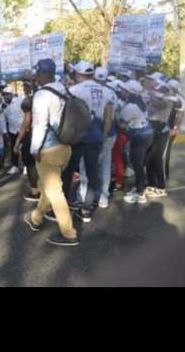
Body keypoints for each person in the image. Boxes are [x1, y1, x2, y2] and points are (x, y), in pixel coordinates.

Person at [23, 58, 79, 247]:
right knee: (50, 186)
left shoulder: (42, 95)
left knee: (55, 191)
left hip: (48, 149)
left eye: (36, 75)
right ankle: (36, 218)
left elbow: (39, 124)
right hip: (66, 147)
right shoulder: (65, 89)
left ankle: (69, 233)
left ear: (40, 74)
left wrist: (34, 149)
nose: (35, 78)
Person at [56, 60, 112, 224]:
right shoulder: (106, 91)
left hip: (76, 137)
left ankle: (63, 207)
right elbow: (108, 116)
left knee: (67, 172)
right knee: (91, 172)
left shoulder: (74, 90)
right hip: (95, 137)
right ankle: (86, 209)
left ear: (79, 74)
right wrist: (103, 135)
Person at [116, 80, 154, 204]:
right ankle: (139, 187)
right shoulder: (140, 101)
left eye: (125, 90)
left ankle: (140, 194)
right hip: (147, 134)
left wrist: (114, 119)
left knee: (137, 165)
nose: (122, 91)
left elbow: (122, 125)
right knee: (139, 164)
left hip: (139, 137)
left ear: (130, 92)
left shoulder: (130, 107)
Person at [142, 72, 172, 199]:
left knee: (156, 158)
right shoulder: (154, 93)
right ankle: (151, 183)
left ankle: (160, 187)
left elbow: (159, 105)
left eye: (153, 80)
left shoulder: (169, 95)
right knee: (149, 158)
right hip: (151, 128)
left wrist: (150, 92)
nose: (151, 82)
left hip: (160, 129)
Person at [94, 66, 118, 209]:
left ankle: (96, 194)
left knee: (95, 165)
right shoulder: (112, 93)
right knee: (106, 165)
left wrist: (102, 135)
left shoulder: (94, 92)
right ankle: (104, 196)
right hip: (111, 133)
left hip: (101, 133)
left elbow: (107, 117)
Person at [14, 77, 39, 202]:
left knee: (31, 165)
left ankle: (35, 191)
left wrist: (17, 142)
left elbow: (26, 122)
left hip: (33, 136)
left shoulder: (29, 100)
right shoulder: (53, 96)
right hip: (50, 137)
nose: (25, 88)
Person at [163, 78, 185, 181]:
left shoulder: (179, 100)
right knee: (162, 152)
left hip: (169, 129)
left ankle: (164, 174)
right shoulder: (167, 96)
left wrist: (175, 129)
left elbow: (180, 116)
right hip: (162, 127)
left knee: (165, 153)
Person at [2, 86, 25, 175]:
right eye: (4, 95)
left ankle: (26, 166)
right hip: (12, 131)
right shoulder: (3, 106)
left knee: (25, 149)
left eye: (7, 95)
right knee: (13, 149)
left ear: (11, 95)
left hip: (23, 129)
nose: (5, 97)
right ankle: (15, 166)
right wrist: (5, 132)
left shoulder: (20, 101)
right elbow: (2, 119)